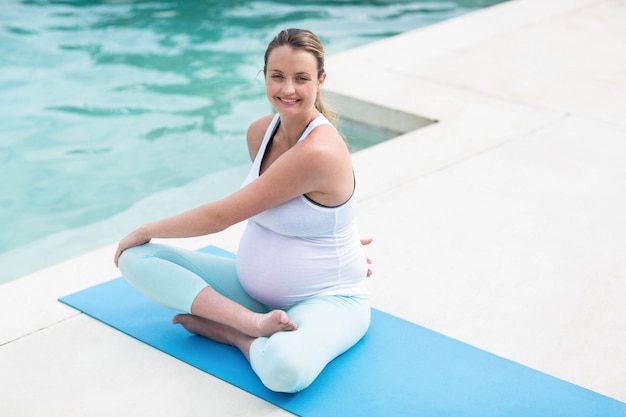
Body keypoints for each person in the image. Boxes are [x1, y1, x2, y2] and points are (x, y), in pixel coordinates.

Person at [114, 28, 372, 393]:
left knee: (285, 370)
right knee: (134, 258)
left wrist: (146, 227)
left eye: (301, 78)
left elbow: (221, 217)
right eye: (277, 76)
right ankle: (250, 322)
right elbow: (285, 209)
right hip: (253, 295)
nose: (288, 89)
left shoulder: (318, 150)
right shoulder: (259, 133)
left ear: (321, 81)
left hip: (326, 300)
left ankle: (236, 336)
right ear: (263, 76)